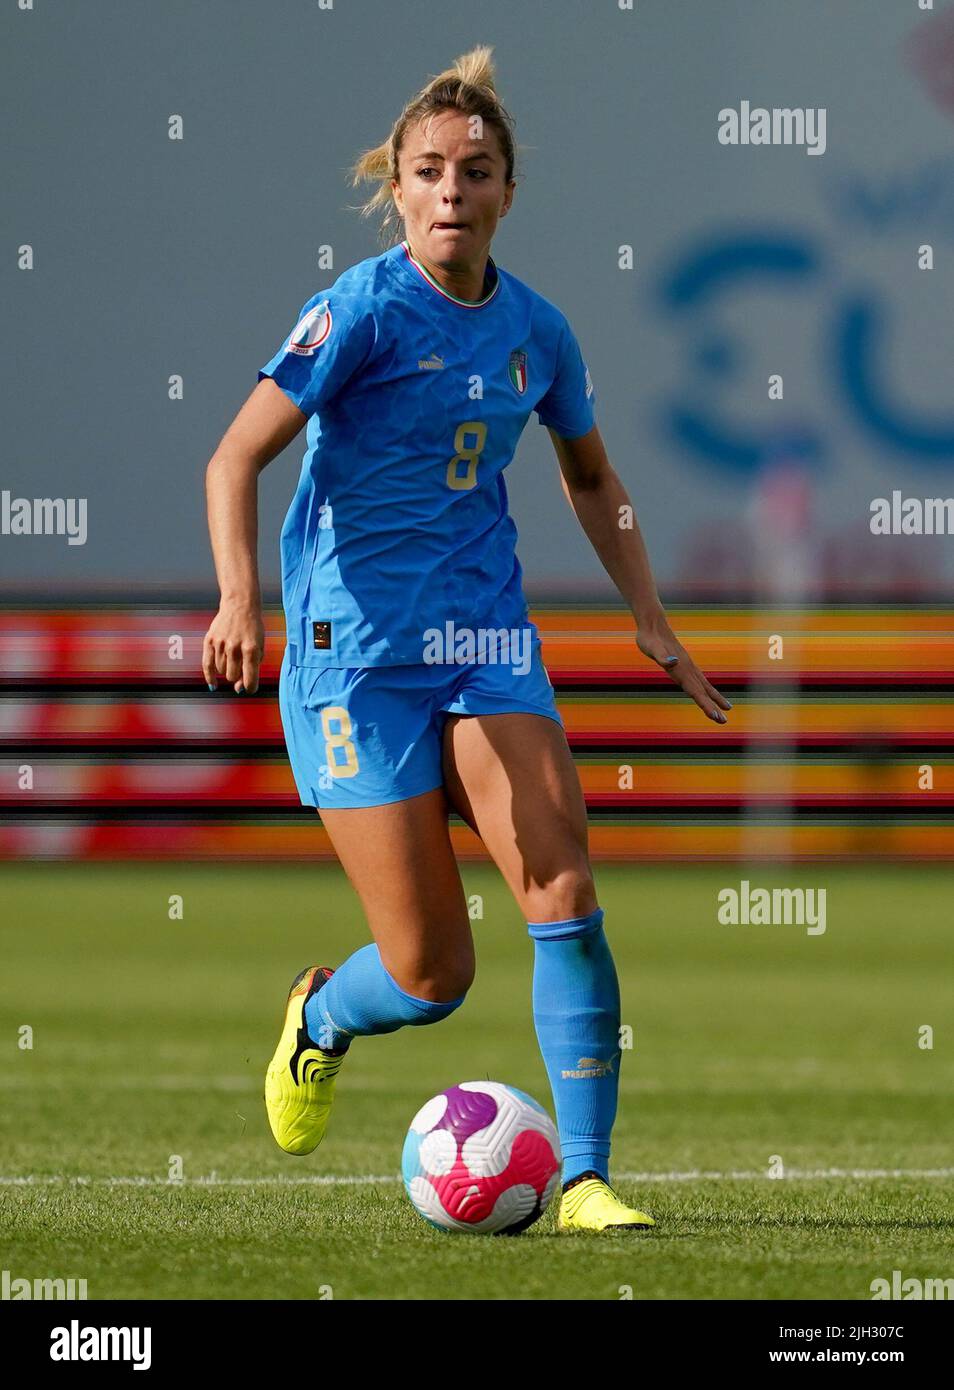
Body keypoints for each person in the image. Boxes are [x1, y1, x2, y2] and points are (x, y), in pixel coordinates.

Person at [203, 45, 730, 1233]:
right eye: (430, 170)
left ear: (505, 193)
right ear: (396, 187)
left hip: (485, 639)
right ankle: (323, 1017)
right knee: (435, 973)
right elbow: (234, 455)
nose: (453, 190)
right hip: (353, 655)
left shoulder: (539, 333)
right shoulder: (357, 312)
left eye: (476, 171)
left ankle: (587, 1176)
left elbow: (593, 478)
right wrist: (241, 599)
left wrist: (647, 612)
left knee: (563, 882)